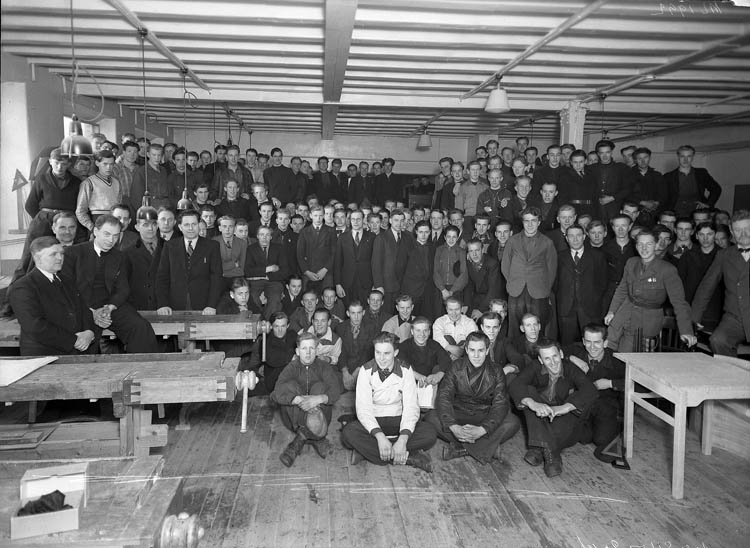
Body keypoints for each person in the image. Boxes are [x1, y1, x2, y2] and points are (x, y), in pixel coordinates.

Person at [62, 214, 158, 353]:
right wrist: (91, 312)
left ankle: (140, 366)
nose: (111, 240)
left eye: (115, 236)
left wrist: (110, 308)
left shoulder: (119, 256)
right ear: (96, 231)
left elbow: (123, 289)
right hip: (81, 307)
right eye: (106, 234)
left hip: (110, 307)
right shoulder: (73, 253)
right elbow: (67, 289)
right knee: (83, 341)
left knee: (140, 327)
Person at [341, 332, 436, 472]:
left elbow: (411, 408)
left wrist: (403, 439)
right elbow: (363, 410)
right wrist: (380, 437)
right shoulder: (365, 371)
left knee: (430, 433)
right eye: (378, 352)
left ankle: (369, 452)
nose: (381, 358)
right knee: (348, 433)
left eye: (386, 353)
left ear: (395, 353)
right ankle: (408, 458)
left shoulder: (406, 370)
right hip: (374, 422)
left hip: (398, 420)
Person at [509, 339, 597, 477]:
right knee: (528, 392)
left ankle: (538, 448)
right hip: (539, 415)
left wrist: (565, 407)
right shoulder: (535, 366)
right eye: (547, 358)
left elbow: (590, 390)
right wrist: (533, 404)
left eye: (555, 356)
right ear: (540, 360)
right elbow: (516, 385)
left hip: (563, 424)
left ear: (561, 354)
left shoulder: (570, 368)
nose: (553, 362)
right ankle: (552, 456)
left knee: (576, 399)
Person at [429, 331, 520, 464]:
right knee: (431, 417)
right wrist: (454, 427)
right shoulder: (455, 366)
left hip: (484, 415)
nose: (476, 355)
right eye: (472, 350)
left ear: (487, 350)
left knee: (512, 422)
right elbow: (444, 397)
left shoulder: (497, 370)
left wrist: (483, 430)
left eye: (480, 350)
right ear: (466, 350)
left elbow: (500, 404)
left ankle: (461, 449)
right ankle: (487, 447)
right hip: (459, 413)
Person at [605, 230, 696, 352]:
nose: (644, 248)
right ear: (636, 246)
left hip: (646, 321)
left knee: (627, 355)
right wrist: (612, 311)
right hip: (624, 313)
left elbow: (679, 302)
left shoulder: (667, 270)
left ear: (656, 245)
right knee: (607, 346)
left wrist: (686, 331)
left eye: (648, 244)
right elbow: (622, 289)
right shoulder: (631, 263)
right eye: (640, 244)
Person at [10, 236, 96, 356]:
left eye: (61, 253)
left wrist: (89, 332)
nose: (60, 258)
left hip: (75, 351)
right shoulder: (23, 287)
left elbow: (84, 309)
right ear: (38, 258)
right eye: (53, 254)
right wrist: (74, 340)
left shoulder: (67, 280)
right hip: (43, 355)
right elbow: (35, 326)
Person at [271, 332, 343, 467]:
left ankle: (301, 439)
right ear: (298, 351)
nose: (308, 353)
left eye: (311, 348)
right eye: (304, 348)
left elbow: (336, 391)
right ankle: (318, 438)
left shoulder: (324, 367)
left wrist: (319, 399)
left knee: (320, 387)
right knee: (290, 386)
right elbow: (276, 393)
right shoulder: (291, 367)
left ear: (316, 350)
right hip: (295, 419)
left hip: (321, 417)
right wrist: (296, 399)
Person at [691, 210, 750, 357]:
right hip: (735, 317)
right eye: (738, 230)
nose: (743, 234)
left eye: (747, 229)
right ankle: (732, 370)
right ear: (731, 231)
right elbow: (706, 287)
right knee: (718, 341)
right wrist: (694, 318)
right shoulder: (724, 255)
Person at [565, 324, 625, 462]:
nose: (592, 347)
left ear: (605, 343)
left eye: (597, 342)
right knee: (582, 438)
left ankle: (618, 428)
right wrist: (571, 358)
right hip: (583, 405)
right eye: (588, 342)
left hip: (605, 406)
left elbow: (639, 385)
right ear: (583, 341)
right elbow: (551, 351)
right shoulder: (576, 351)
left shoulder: (617, 360)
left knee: (602, 440)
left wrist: (610, 383)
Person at [501, 207, 557, 334]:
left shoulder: (547, 243)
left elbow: (552, 269)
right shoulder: (512, 241)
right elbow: (505, 265)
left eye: (533, 221)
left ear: (539, 222)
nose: (530, 224)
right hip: (516, 290)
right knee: (514, 328)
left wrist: (544, 288)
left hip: (538, 291)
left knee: (536, 328)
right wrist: (513, 281)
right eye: (526, 221)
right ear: (522, 222)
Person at [156, 209, 223, 315]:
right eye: (186, 225)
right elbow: (162, 277)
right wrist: (163, 304)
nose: (191, 228)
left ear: (199, 225)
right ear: (180, 227)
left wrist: (211, 305)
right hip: (174, 305)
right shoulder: (169, 246)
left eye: (194, 224)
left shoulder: (212, 246)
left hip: (204, 306)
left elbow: (216, 278)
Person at [555, 225, 608, 345]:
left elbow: (603, 283)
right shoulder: (559, 256)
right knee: (566, 344)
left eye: (578, 235)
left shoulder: (597, 256)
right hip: (566, 308)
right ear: (566, 238)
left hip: (590, 308)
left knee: (592, 343)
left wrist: (594, 299)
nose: (575, 239)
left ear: (584, 236)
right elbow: (555, 283)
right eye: (571, 236)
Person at [241, 311, 297, 395]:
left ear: (288, 325)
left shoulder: (292, 335)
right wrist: (292, 356)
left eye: (283, 326)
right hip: (275, 381)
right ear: (270, 326)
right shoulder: (266, 341)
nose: (280, 330)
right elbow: (272, 359)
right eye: (276, 326)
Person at [372, 209, 413, 313]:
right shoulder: (381, 238)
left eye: (402, 220)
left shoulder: (408, 237)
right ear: (390, 220)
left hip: (403, 285)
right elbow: (376, 263)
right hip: (387, 285)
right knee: (387, 314)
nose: (399, 223)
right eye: (396, 220)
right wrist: (379, 285)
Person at [663, 145, 721, 217]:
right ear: (678, 157)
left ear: (693, 157)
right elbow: (663, 197)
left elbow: (716, 189)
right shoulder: (668, 177)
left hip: (697, 214)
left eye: (689, 156)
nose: (685, 160)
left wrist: (708, 204)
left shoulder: (701, 173)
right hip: (676, 214)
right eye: (682, 156)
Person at [123, 206, 162, 311]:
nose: (150, 228)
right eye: (145, 225)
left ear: (158, 225)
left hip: (165, 308)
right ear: (137, 227)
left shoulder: (170, 248)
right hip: (139, 308)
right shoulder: (128, 253)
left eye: (154, 224)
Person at [334, 209, 375, 307]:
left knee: (364, 309)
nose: (355, 222)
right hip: (347, 282)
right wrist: (338, 284)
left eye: (358, 219)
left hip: (366, 282)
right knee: (348, 309)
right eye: (353, 219)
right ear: (349, 220)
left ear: (363, 220)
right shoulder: (342, 237)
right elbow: (338, 262)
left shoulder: (372, 237)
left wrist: (375, 284)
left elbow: (375, 262)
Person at [397, 317, 451, 389]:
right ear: (412, 332)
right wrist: (417, 376)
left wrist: (439, 375)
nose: (422, 334)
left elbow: (447, 361)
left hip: (431, 383)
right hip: (409, 384)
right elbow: (400, 364)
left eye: (425, 330)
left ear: (429, 332)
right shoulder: (404, 346)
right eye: (418, 330)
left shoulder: (434, 345)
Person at [335, 300, 379, 390]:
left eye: (359, 313)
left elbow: (368, 352)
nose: (356, 317)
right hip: (345, 366)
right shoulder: (340, 328)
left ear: (363, 313)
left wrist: (356, 373)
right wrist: (345, 373)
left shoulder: (371, 327)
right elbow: (340, 352)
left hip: (364, 366)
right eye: (353, 313)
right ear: (348, 313)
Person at [245, 225, 287, 317]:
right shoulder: (251, 249)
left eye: (267, 235)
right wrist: (268, 269)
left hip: (274, 281)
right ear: (257, 236)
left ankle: (268, 322)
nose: (264, 237)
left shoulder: (279, 248)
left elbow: (285, 271)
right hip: (256, 283)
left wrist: (267, 276)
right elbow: (248, 271)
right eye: (262, 234)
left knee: (275, 299)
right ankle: (258, 321)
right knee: (253, 298)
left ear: (271, 237)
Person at [297, 205, 336, 294]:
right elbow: (299, 255)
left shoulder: (331, 231)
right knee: (308, 297)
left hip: (326, 272)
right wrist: (307, 272)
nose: (318, 218)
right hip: (309, 272)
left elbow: (334, 253)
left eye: (320, 215)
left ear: (324, 216)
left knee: (327, 296)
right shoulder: (304, 232)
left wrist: (325, 269)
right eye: (315, 215)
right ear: (310, 215)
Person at [464, 238, 500, 320]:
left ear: (483, 250)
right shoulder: (468, 263)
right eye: (471, 251)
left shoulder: (492, 264)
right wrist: (466, 304)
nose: (474, 254)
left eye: (477, 250)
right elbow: (468, 286)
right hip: (476, 299)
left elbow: (493, 291)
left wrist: (480, 310)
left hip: (490, 301)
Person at [432, 297, 477, 361]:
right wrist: (451, 349)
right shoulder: (439, 322)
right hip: (443, 357)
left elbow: (473, 341)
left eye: (457, 309)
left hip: (465, 359)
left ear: (461, 309)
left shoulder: (470, 323)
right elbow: (437, 340)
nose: (454, 313)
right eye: (450, 309)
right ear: (446, 309)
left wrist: (460, 352)